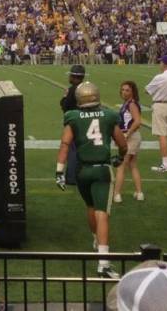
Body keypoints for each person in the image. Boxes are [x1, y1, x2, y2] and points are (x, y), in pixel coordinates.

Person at [55, 81, 127, 279]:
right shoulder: (109, 115)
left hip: (81, 171)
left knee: (90, 206)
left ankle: (96, 240)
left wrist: (59, 171)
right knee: (102, 213)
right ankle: (104, 264)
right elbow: (122, 143)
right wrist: (120, 157)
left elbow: (64, 144)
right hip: (101, 169)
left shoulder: (73, 117)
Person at [113, 81, 144, 203]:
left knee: (121, 166)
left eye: (127, 90)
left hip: (130, 136)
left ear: (133, 92)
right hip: (132, 136)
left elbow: (137, 121)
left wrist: (126, 135)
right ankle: (139, 192)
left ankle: (116, 194)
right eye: (123, 90)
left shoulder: (131, 104)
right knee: (133, 165)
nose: (124, 92)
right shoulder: (128, 103)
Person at [59, 64, 86, 184]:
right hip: (85, 121)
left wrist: (64, 97)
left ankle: (71, 177)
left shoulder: (72, 90)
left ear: (74, 77)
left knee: (73, 150)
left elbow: (65, 107)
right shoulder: (86, 88)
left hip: (73, 123)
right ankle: (81, 174)